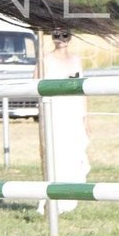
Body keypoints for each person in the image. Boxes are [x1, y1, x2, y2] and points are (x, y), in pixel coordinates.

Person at [37, 28, 88, 216]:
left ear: (70, 37)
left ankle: (70, 195)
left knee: (74, 152)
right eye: (56, 35)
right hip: (55, 112)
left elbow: (82, 88)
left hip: (73, 111)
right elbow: (36, 83)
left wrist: (86, 117)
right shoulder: (46, 60)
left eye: (64, 35)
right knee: (56, 153)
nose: (61, 39)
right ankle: (52, 198)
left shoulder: (76, 60)